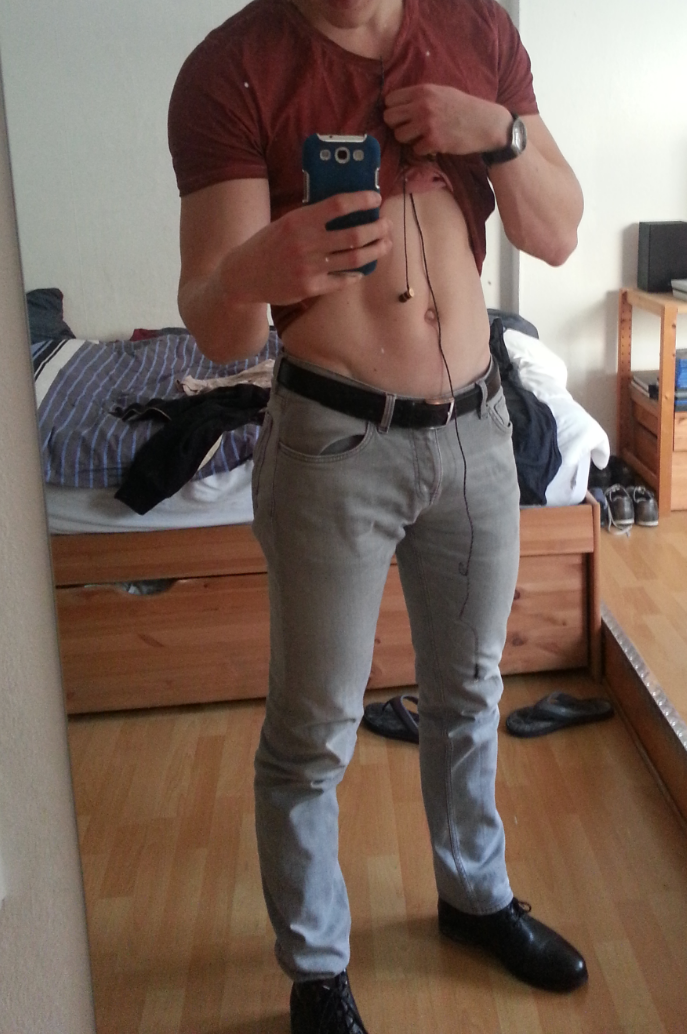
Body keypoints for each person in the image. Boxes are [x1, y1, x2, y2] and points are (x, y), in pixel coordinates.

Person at [168, 1, 586, 1030]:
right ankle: (316, 969)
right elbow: (219, 328)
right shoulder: (235, 67)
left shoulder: (475, 27)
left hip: (478, 430)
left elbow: (558, 233)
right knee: (314, 728)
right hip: (332, 443)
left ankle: (473, 894)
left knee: (470, 690)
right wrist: (252, 272)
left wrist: (495, 130)